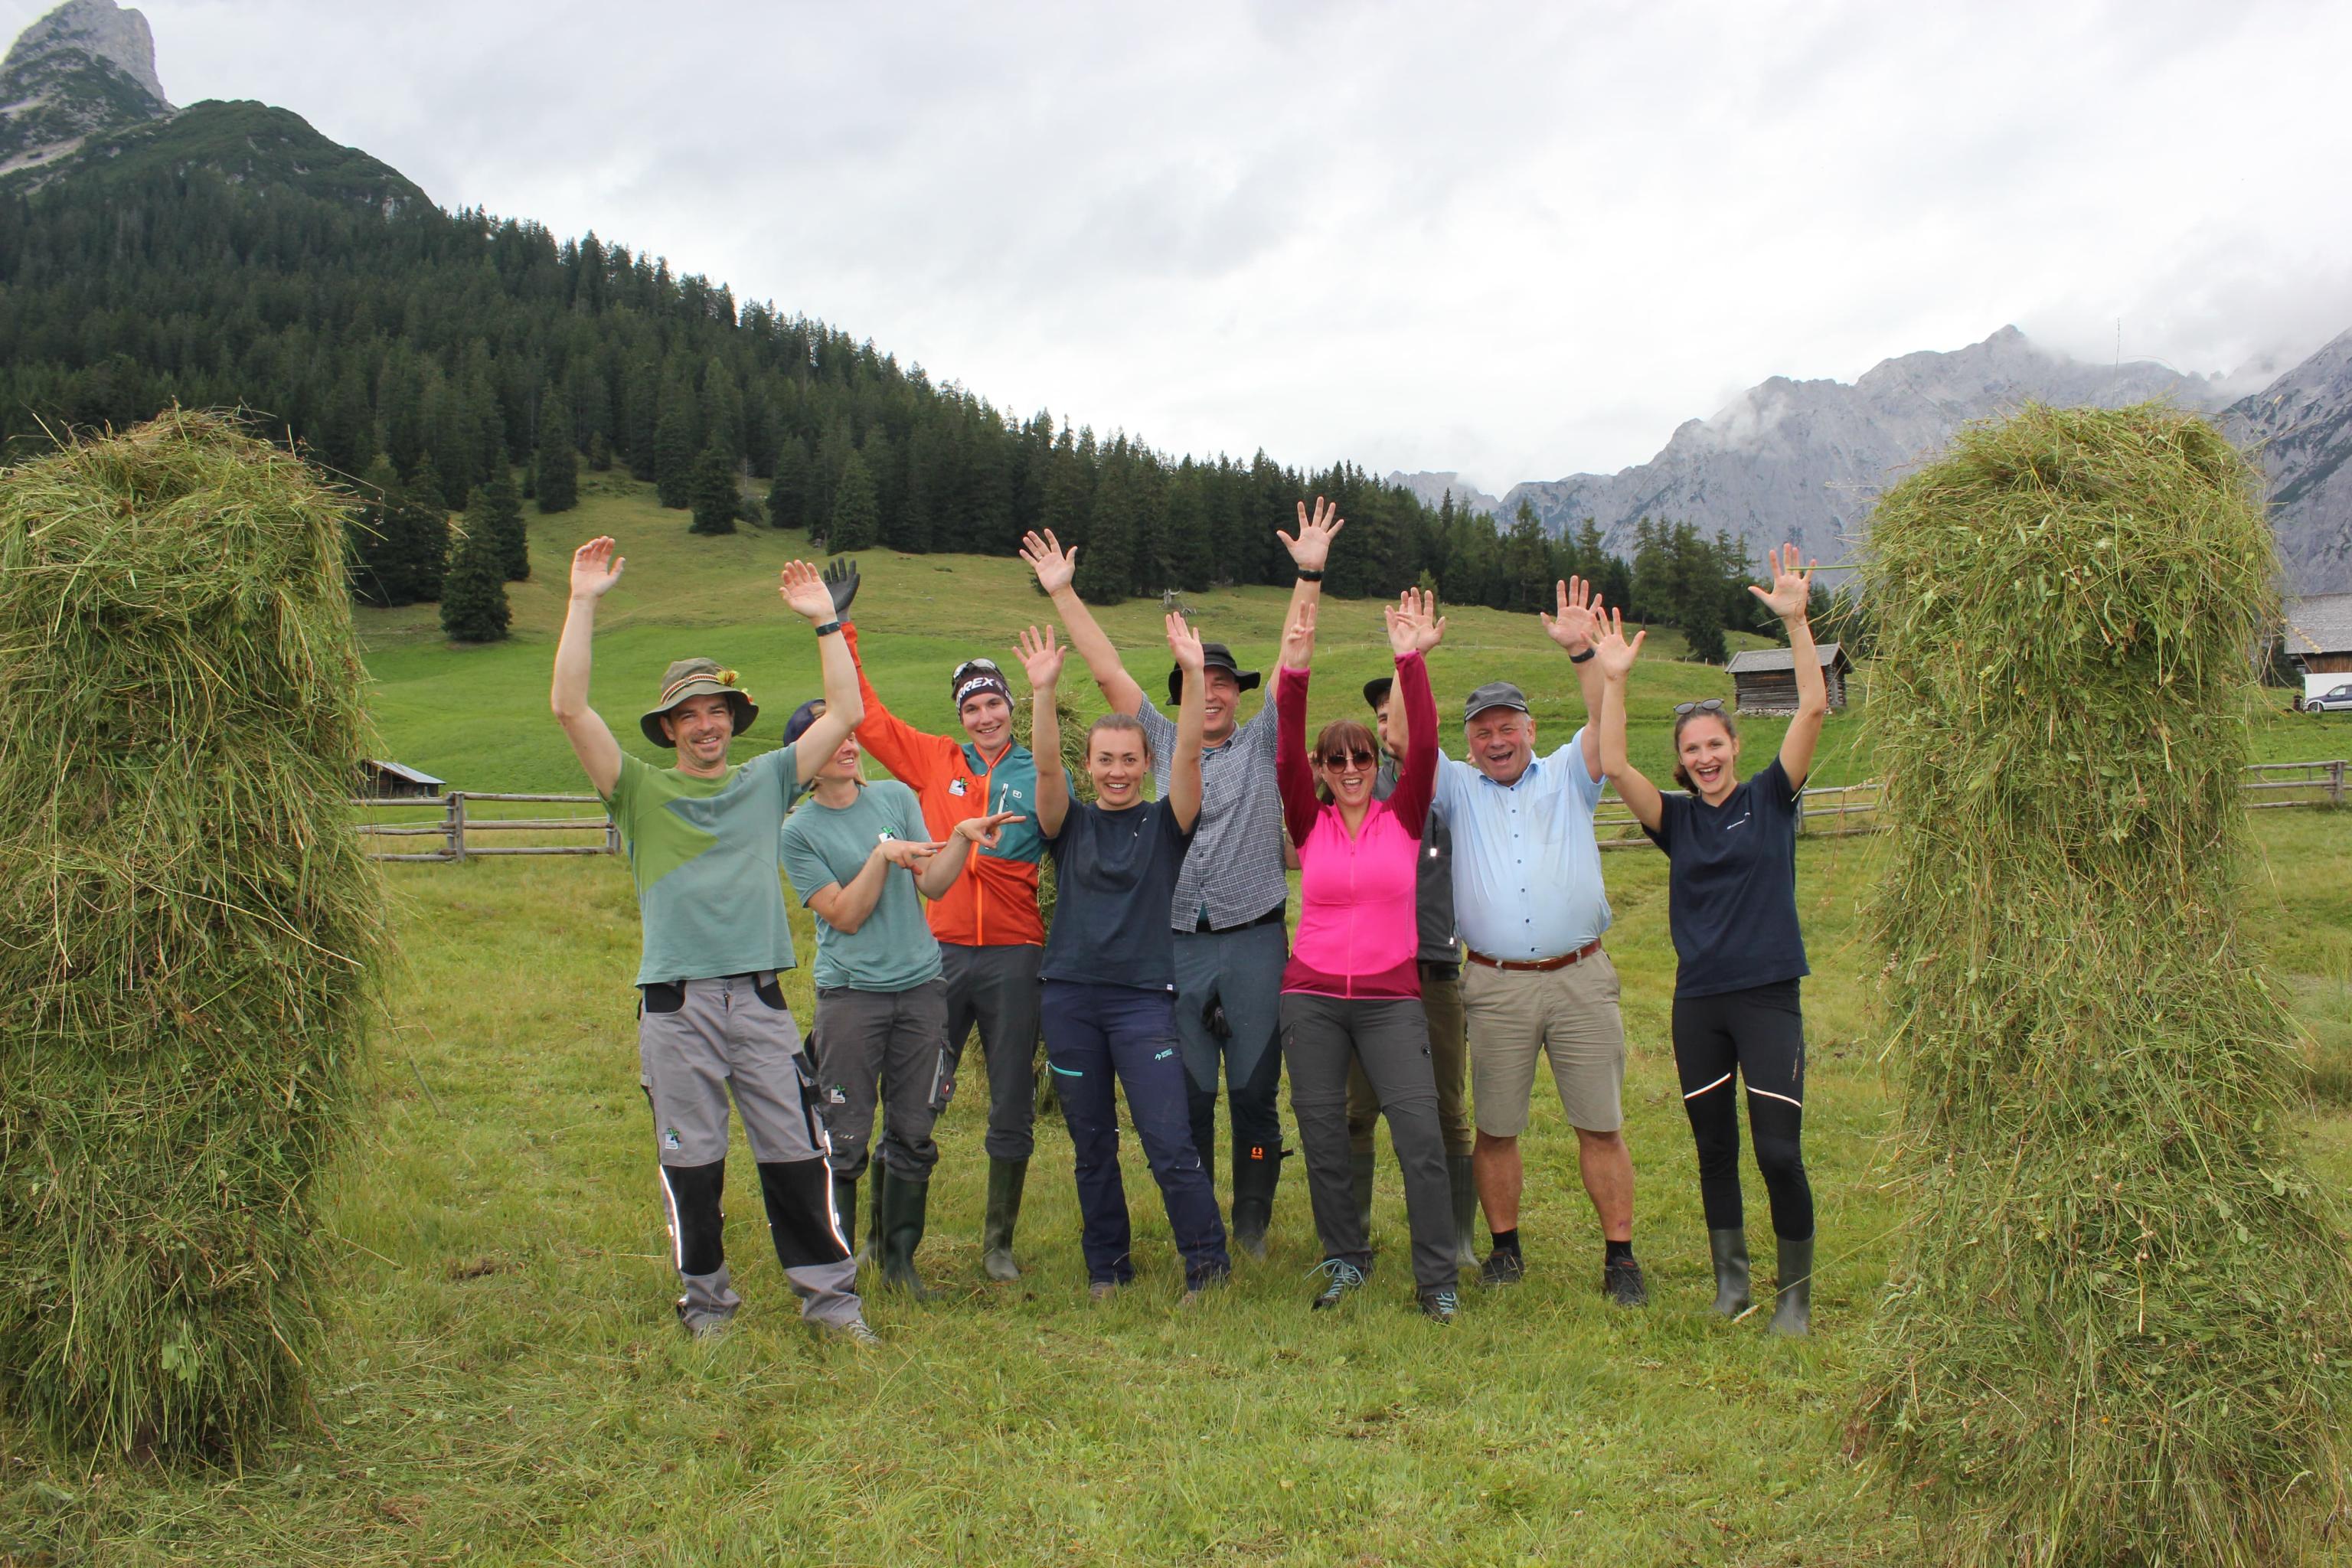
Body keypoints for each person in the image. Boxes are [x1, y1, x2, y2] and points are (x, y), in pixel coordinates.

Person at [550, 538, 874, 1343]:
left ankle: (831, 1303)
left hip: (760, 1001)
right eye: (688, 713)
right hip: (676, 1007)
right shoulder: (637, 791)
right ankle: (708, 1306)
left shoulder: (766, 780)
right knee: (691, 1165)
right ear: (668, 727)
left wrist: (826, 622)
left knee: (799, 1155)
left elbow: (846, 714)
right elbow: (568, 708)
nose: (704, 724)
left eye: (715, 710)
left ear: (734, 719)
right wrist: (583, 600)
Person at [1021, 500, 1342, 1256]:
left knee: (1256, 1094)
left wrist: (1309, 574)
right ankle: (1199, 1220)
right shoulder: (1154, 739)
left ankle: (1255, 1216)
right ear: (1185, 689)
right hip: (1174, 947)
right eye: (1208, 680)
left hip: (1256, 937)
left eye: (1230, 682)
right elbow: (1104, 669)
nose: (1220, 692)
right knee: (1190, 1094)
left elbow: (1295, 666)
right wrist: (1063, 590)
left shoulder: (1267, 737)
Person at [1592, 546, 1826, 1335]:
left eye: (1715, 743)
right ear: (1684, 762)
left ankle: (1793, 1295)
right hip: (1699, 1002)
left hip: (1767, 996)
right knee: (1713, 1148)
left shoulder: (1772, 794)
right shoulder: (1677, 818)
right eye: (1692, 750)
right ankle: (1732, 1283)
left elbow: (1813, 710)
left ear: (1733, 743)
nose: (1705, 757)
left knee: (1778, 1150)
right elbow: (1614, 760)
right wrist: (1614, 677)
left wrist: (1796, 623)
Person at [825, 557, 1063, 1282]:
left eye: (993, 704)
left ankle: (998, 1244)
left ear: (1011, 708)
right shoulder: (934, 762)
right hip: (938, 956)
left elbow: (1067, 818)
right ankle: (880, 1239)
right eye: (971, 707)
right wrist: (839, 629)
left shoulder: (1035, 767)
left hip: (1017, 953)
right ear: (959, 716)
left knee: (1011, 1098)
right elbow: (864, 715)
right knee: (915, 1092)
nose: (984, 716)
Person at [1436, 577, 1648, 1306]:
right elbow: (1397, 739)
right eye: (1482, 732)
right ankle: (1505, 1249)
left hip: (1580, 977)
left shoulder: (1569, 772)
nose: (1496, 741)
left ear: (1529, 729)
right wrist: (1411, 660)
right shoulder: (1456, 788)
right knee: (1495, 1127)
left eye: (1507, 727)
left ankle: (1620, 1257)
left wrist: (1584, 651)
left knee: (1601, 1122)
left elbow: (1602, 716)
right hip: (1494, 983)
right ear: (1468, 742)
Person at [776, 697, 1022, 1300]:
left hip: (920, 990)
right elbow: (847, 914)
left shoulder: (894, 800)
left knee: (914, 1131)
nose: (849, 746)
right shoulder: (798, 832)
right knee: (845, 1136)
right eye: (829, 739)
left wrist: (961, 840)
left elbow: (933, 882)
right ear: (805, 759)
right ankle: (836, 1270)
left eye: (849, 736)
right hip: (852, 998)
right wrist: (880, 857)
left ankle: (898, 1263)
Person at [1024, 616, 1230, 1301]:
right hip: (1070, 1000)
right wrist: (1044, 693)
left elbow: (1193, 757)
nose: (1116, 772)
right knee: (1093, 1145)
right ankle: (1106, 1267)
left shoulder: (1167, 824)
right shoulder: (1067, 822)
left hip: (1142, 1001)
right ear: (1092, 766)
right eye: (1105, 760)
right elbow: (1045, 765)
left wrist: (1195, 676)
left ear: (1146, 764)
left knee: (1170, 1143)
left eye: (1129, 760)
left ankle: (1207, 1266)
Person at [1273, 590, 1461, 1322]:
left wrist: (1408, 658)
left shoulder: (1405, 815)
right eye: (1335, 759)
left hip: (1391, 1000)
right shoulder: (1307, 820)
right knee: (1324, 1138)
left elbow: (1426, 739)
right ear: (1320, 768)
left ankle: (1435, 1279)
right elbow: (1285, 745)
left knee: (1420, 1137)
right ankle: (1345, 1260)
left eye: (1359, 756)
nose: (1350, 769)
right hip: (1312, 1000)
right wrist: (1293, 671)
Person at [1346, 668, 1476, 1274]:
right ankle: (1355, 1236)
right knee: (1356, 1109)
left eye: (1395, 715)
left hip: (1433, 970)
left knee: (1448, 1109)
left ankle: (1458, 1238)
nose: (1385, 727)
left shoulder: (1447, 789)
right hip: (1367, 976)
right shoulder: (1356, 792)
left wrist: (1413, 665)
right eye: (1378, 718)